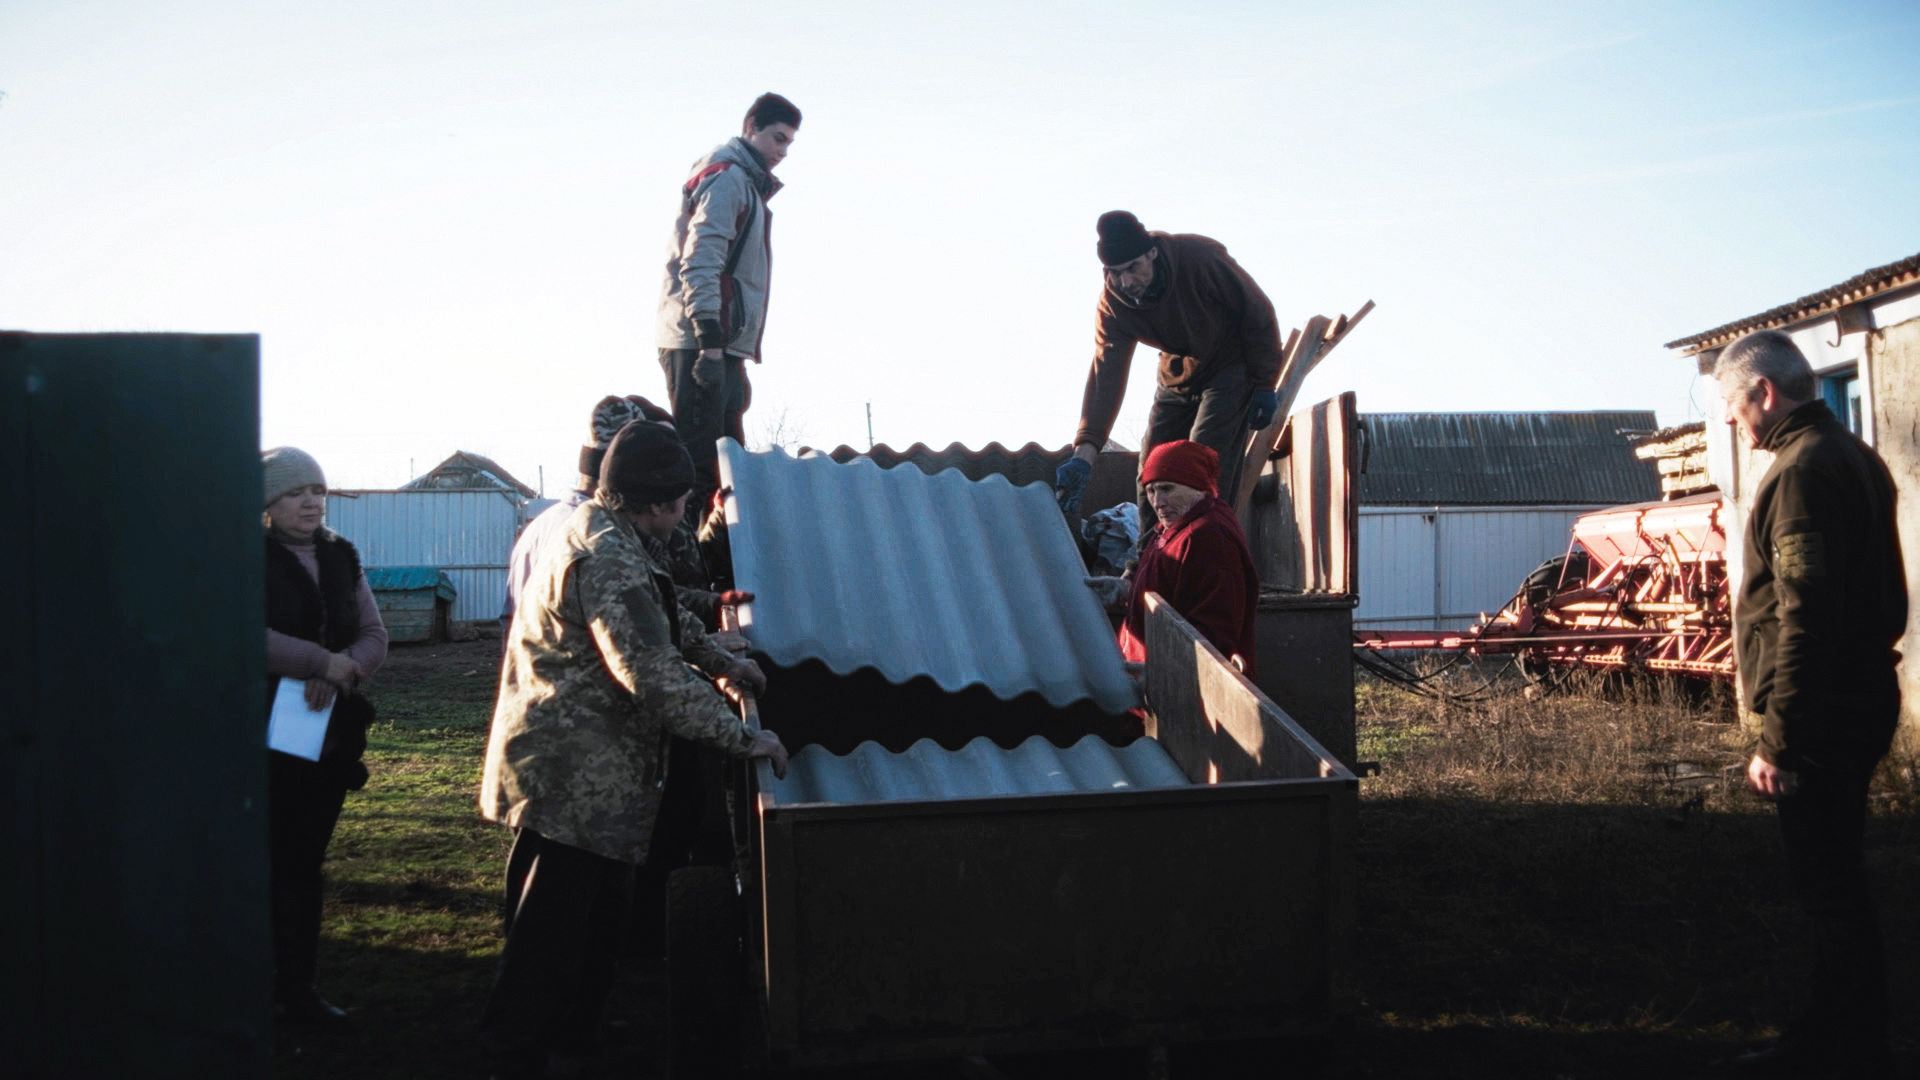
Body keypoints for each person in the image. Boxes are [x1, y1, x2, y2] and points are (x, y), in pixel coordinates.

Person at [478, 420, 789, 1080]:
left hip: (584, 778)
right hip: (570, 780)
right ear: (656, 500)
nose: (682, 517)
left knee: (591, 927)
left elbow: (666, 619)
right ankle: (515, 1055)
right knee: (548, 937)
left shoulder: (609, 532)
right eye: (679, 502)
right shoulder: (609, 556)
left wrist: (720, 662)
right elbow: (647, 670)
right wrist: (741, 736)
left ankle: (574, 1035)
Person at [1717, 329, 1904, 1076]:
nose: (1732, 421)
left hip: (1823, 714)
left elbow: (1807, 618)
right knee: (1839, 881)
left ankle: (1846, 1047)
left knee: (1829, 888)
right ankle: (1836, 1033)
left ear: (1764, 392)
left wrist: (1780, 740)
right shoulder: (1854, 457)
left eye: (1734, 405)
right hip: (1859, 698)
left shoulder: (1801, 473)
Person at [261, 447, 389, 1023]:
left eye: (317, 490)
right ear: (266, 503)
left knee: (304, 861)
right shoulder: (243, 557)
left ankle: (297, 989)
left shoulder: (341, 556)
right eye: (294, 492)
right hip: (258, 735)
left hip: (326, 732)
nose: (311, 501)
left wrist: (343, 672)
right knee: (260, 858)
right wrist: (317, 661)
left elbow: (373, 634)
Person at [1054, 210, 1285, 519]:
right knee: (1153, 469)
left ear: (1152, 253)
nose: (1126, 281)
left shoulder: (1199, 260)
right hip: (1178, 374)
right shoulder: (1114, 306)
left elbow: (1258, 313)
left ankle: (1201, 552)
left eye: (1133, 268)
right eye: (1115, 272)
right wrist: (1085, 452)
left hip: (1230, 365)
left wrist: (1264, 383)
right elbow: (1106, 374)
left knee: (1200, 465)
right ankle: (1149, 561)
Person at [656, 91, 801, 512]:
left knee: (727, 467)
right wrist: (710, 343)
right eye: (777, 138)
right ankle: (701, 568)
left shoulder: (744, 183)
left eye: (789, 143)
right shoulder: (728, 179)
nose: (783, 151)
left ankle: (722, 562)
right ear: (751, 129)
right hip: (701, 341)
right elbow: (701, 258)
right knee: (703, 470)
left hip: (721, 340)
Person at [1105, 440, 1258, 676]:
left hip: (1186, 699)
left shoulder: (1209, 535)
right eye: (1151, 490)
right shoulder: (1172, 530)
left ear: (1197, 486)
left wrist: (1163, 677)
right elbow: (1174, 589)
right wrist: (1129, 590)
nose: (1157, 502)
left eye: (1167, 489)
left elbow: (1215, 634)